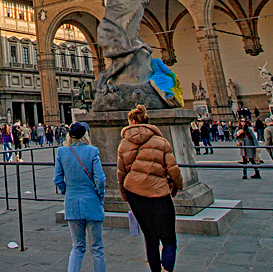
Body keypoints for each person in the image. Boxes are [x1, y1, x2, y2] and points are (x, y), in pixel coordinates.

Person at [117, 104, 183, 272]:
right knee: (169, 241)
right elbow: (173, 170)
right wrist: (177, 186)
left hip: (135, 195)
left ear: (132, 121)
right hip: (159, 194)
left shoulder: (124, 144)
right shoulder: (161, 142)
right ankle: (166, 269)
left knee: (150, 239)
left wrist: (125, 196)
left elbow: (121, 174)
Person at [54, 122, 106, 272]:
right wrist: (100, 195)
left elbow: (57, 179)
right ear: (85, 135)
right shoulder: (92, 151)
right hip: (92, 202)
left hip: (72, 203)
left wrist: (67, 191)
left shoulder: (62, 152)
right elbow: (100, 179)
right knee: (97, 249)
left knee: (77, 247)